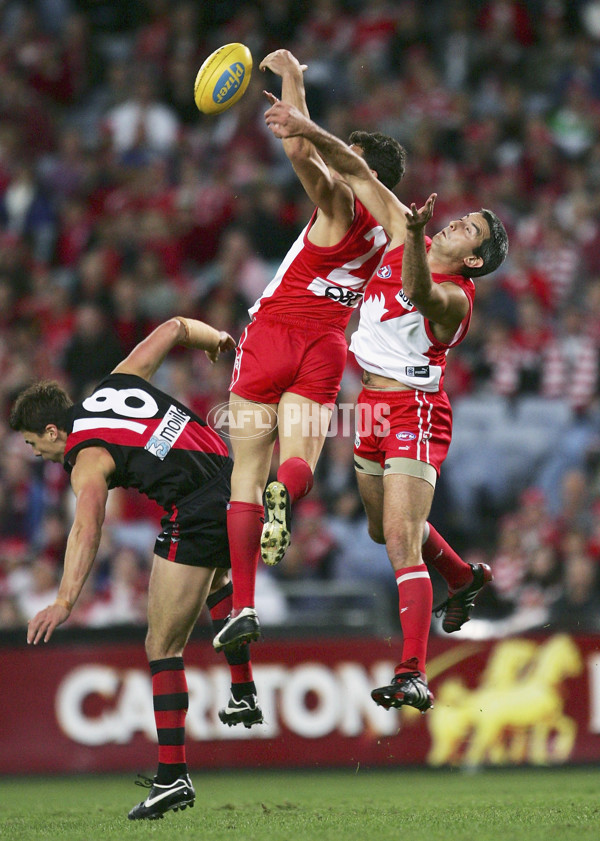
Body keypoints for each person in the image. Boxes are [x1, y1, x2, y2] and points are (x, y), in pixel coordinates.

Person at [264, 99, 508, 712]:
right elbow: (355, 171)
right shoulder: (408, 228)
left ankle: (412, 672)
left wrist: (418, 237)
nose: (456, 224)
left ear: (474, 259)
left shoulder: (454, 296)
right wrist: (307, 130)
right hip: (370, 407)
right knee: (382, 530)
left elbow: (415, 289)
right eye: (461, 220)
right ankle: (461, 575)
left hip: (416, 411)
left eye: (468, 231)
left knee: (399, 537)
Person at [10, 317, 263, 821]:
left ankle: (173, 777)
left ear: (54, 429)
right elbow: (172, 329)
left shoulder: (86, 459)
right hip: (233, 478)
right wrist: (216, 340)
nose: (33, 451)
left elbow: (87, 528)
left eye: (32, 441)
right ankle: (241, 689)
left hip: (195, 510)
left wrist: (64, 600)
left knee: (161, 646)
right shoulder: (116, 382)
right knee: (215, 581)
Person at [213, 49, 406, 653]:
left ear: (354, 166)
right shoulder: (393, 229)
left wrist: (294, 76)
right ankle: (286, 497)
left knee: (245, 473)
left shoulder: (340, 203)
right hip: (326, 344)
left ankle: (243, 603)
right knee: (297, 465)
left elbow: (302, 152)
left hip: (275, 331)